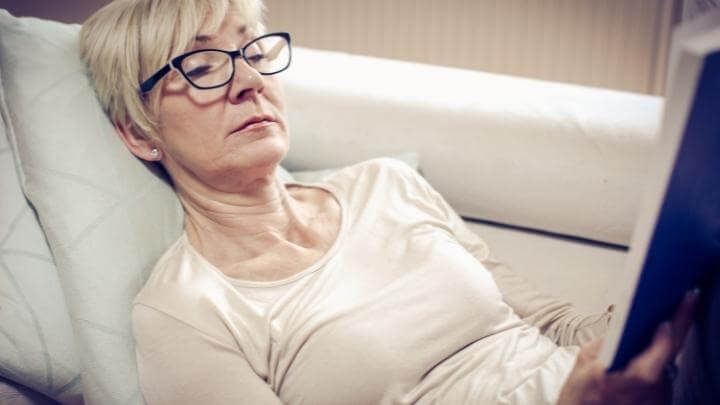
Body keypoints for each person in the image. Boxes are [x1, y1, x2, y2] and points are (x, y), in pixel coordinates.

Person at [79, 1, 696, 404]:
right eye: (203, 64)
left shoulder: (385, 184)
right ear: (139, 133)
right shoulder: (185, 312)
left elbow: (559, 327)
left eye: (253, 51)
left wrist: (672, 292)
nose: (248, 81)